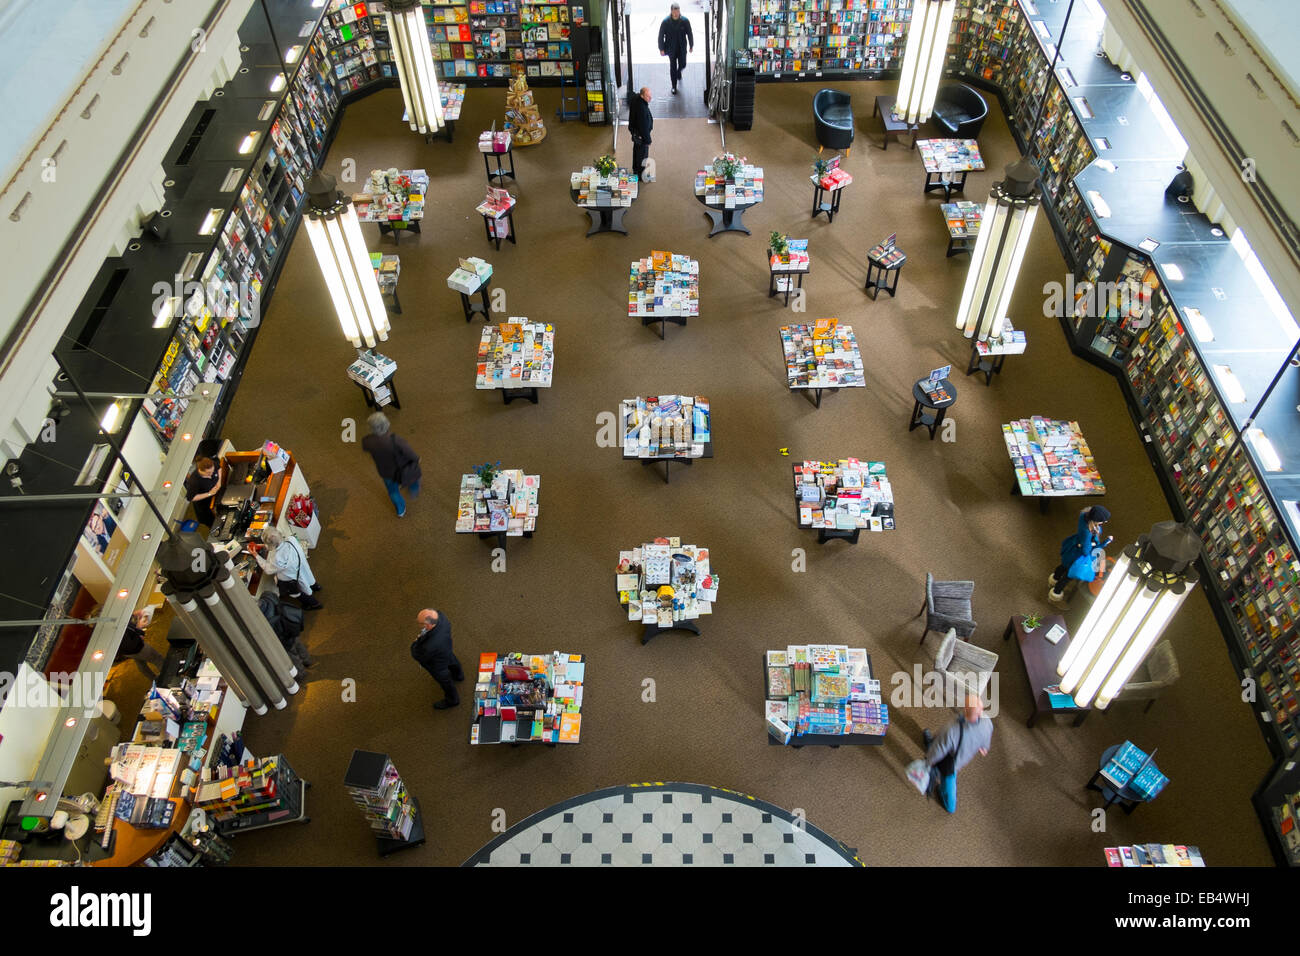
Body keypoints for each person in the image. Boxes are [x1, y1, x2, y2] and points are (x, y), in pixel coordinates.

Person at [921, 694, 993, 814]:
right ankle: (949, 803)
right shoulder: (987, 723)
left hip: (949, 762)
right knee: (941, 742)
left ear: (965, 710)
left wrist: (929, 761)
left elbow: (939, 750)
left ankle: (947, 801)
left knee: (939, 753)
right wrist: (983, 747)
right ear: (981, 710)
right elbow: (985, 746)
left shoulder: (953, 730)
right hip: (961, 760)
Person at [1049, 505, 1113, 608]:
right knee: (1067, 577)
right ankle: (1055, 595)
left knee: (1063, 566)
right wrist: (1105, 543)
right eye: (1103, 521)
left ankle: (1054, 579)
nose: (1104, 523)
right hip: (1077, 557)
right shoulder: (1087, 533)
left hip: (1072, 550)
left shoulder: (1084, 516)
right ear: (1096, 520)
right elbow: (1086, 551)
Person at [360, 412, 422, 518]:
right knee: (413, 478)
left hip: (385, 472)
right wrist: (417, 459)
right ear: (387, 424)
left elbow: (365, 449)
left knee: (392, 491)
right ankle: (413, 490)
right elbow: (409, 453)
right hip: (402, 469)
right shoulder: (396, 440)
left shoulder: (367, 441)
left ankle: (400, 510)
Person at [253, 527, 322, 610]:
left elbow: (268, 569)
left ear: (270, 545)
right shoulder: (291, 539)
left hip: (290, 579)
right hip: (301, 567)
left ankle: (314, 604)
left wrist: (255, 555)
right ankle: (316, 587)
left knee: (297, 593)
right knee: (308, 577)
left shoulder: (277, 558)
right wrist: (264, 545)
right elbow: (277, 542)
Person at [412, 609, 465, 710]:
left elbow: (417, 655)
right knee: (452, 661)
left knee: (444, 680)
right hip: (446, 649)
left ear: (428, 625)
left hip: (437, 663)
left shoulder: (428, 646)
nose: (419, 625)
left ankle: (452, 700)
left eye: (420, 623)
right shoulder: (441, 617)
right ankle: (459, 675)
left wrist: (415, 643)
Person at [114, 609, 166, 680]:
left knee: (141, 663)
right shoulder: (115, 632)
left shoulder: (109, 626)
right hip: (138, 648)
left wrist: (133, 615)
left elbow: (125, 624)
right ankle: (168, 676)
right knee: (157, 658)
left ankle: (154, 679)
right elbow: (130, 645)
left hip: (129, 652)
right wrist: (139, 632)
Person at [658, 3, 694, 95]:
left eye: (677, 10)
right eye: (674, 11)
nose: (676, 13)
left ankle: (679, 71)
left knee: (683, 64)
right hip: (671, 49)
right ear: (671, 11)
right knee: (672, 67)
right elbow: (661, 36)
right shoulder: (665, 22)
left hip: (682, 48)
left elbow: (690, 33)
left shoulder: (685, 21)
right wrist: (661, 48)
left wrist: (691, 45)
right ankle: (674, 86)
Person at [184, 456, 223, 528]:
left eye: (212, 471)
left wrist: (219, 482)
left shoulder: (212, 465)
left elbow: (219, 468)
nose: (211, 474)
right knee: (214, 525)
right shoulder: (194, 481)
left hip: (214, 498)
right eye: (208, 473)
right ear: (201, 471)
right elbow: (191, 498)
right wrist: (209, 493)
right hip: (204, 506)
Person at [628, 87, 654, 180]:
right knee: (643, 155)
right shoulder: (641, 108)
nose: (650, 98)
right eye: (648, 96)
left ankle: (636, 170)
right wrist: (648, 140)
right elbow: (643, 127)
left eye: (650, 95)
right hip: (641, 136)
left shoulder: (636, 99)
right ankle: (641, 175)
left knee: (636, 152)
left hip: (635, 133)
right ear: (642, 95)